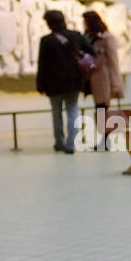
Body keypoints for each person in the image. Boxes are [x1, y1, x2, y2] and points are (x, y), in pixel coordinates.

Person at [35, 9, 92, 154]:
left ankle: (59, 142)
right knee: (73, 111)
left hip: (53, 83)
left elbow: (42, 65)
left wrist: (40, 84)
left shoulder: (46, 40)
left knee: (56, 113)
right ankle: (72, 143)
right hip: (73, 81)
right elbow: (90, 51)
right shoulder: (76, 36)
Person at [82, 10, 123, 150]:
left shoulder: (106, 38)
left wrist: (116, 83)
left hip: (103, 78)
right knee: (99, 109)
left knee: (102, 108)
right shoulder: (88, 37)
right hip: (93, 78)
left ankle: (105, 140)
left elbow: (113, 61)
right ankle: (103, 140)